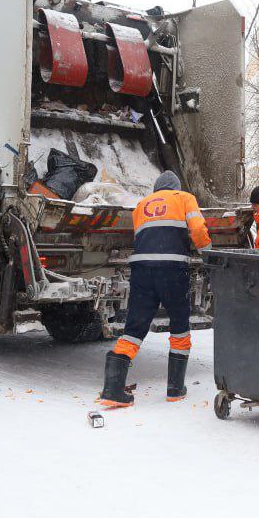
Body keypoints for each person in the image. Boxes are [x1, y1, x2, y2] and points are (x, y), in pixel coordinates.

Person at [97, 170, 211, 408]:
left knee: (134, 327)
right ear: (175, 187)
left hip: (141, 270)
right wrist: (209, 256)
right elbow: (198, 230)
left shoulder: (141, 205)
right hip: (172, 269)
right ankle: (175, 388)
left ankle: (113, 390)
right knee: (179, 325)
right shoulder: (183, 197)